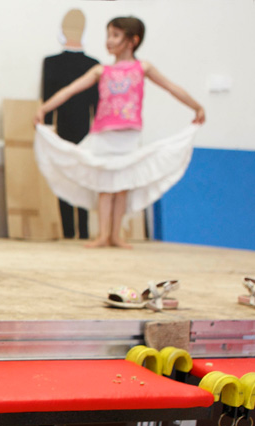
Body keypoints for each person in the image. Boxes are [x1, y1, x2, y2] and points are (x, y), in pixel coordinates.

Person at [34, 16, 205, 249]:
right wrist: (44, 108)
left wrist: (196, 107)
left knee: (122, 185)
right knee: (105, 185)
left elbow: (171, 87)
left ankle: (115, 234)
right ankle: (103, 234)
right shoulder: (100, 70)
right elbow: (70, 90)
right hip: (104, 135)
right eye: (108, 36)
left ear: (132, 41)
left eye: (115, 36)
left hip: (128, 136)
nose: (109, 41)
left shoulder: (142, 68)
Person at [42, 8, 98, 240]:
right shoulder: (91, 64)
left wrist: (46, 124)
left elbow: (48, 95)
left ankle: (78, 231)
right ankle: (74, 231)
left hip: (76, 130)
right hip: (70, 129)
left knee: (76, 177)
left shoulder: (92, 65)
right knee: (71, 177)